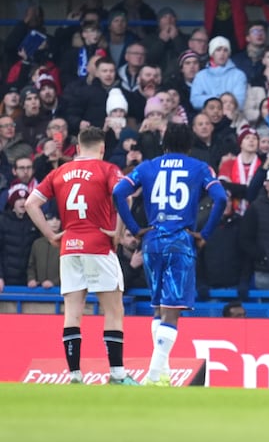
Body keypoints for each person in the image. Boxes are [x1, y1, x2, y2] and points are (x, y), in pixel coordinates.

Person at [112, 123, 228, 387]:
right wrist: (205, 234)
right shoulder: (199, 167)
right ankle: (153, 376)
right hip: (180, 241)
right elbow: (220, 198)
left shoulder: (148, 166)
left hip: (152, 240)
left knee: (159, 307)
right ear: (189, 145)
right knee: (172, 310)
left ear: (164, 143)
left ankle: (162, 372)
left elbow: (119, 192)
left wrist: (134, 229)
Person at [24, 127, 138, 385]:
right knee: (114, 310)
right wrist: (118, 232)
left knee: (72, 312)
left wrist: (51, 235)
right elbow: (124, 196)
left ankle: (75, 374)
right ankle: (117, 373)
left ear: (76, 148)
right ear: (102, 148)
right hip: (98, 244)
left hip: (69, 247)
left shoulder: (59, 172)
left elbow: (31, 203)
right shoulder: (107, 169)